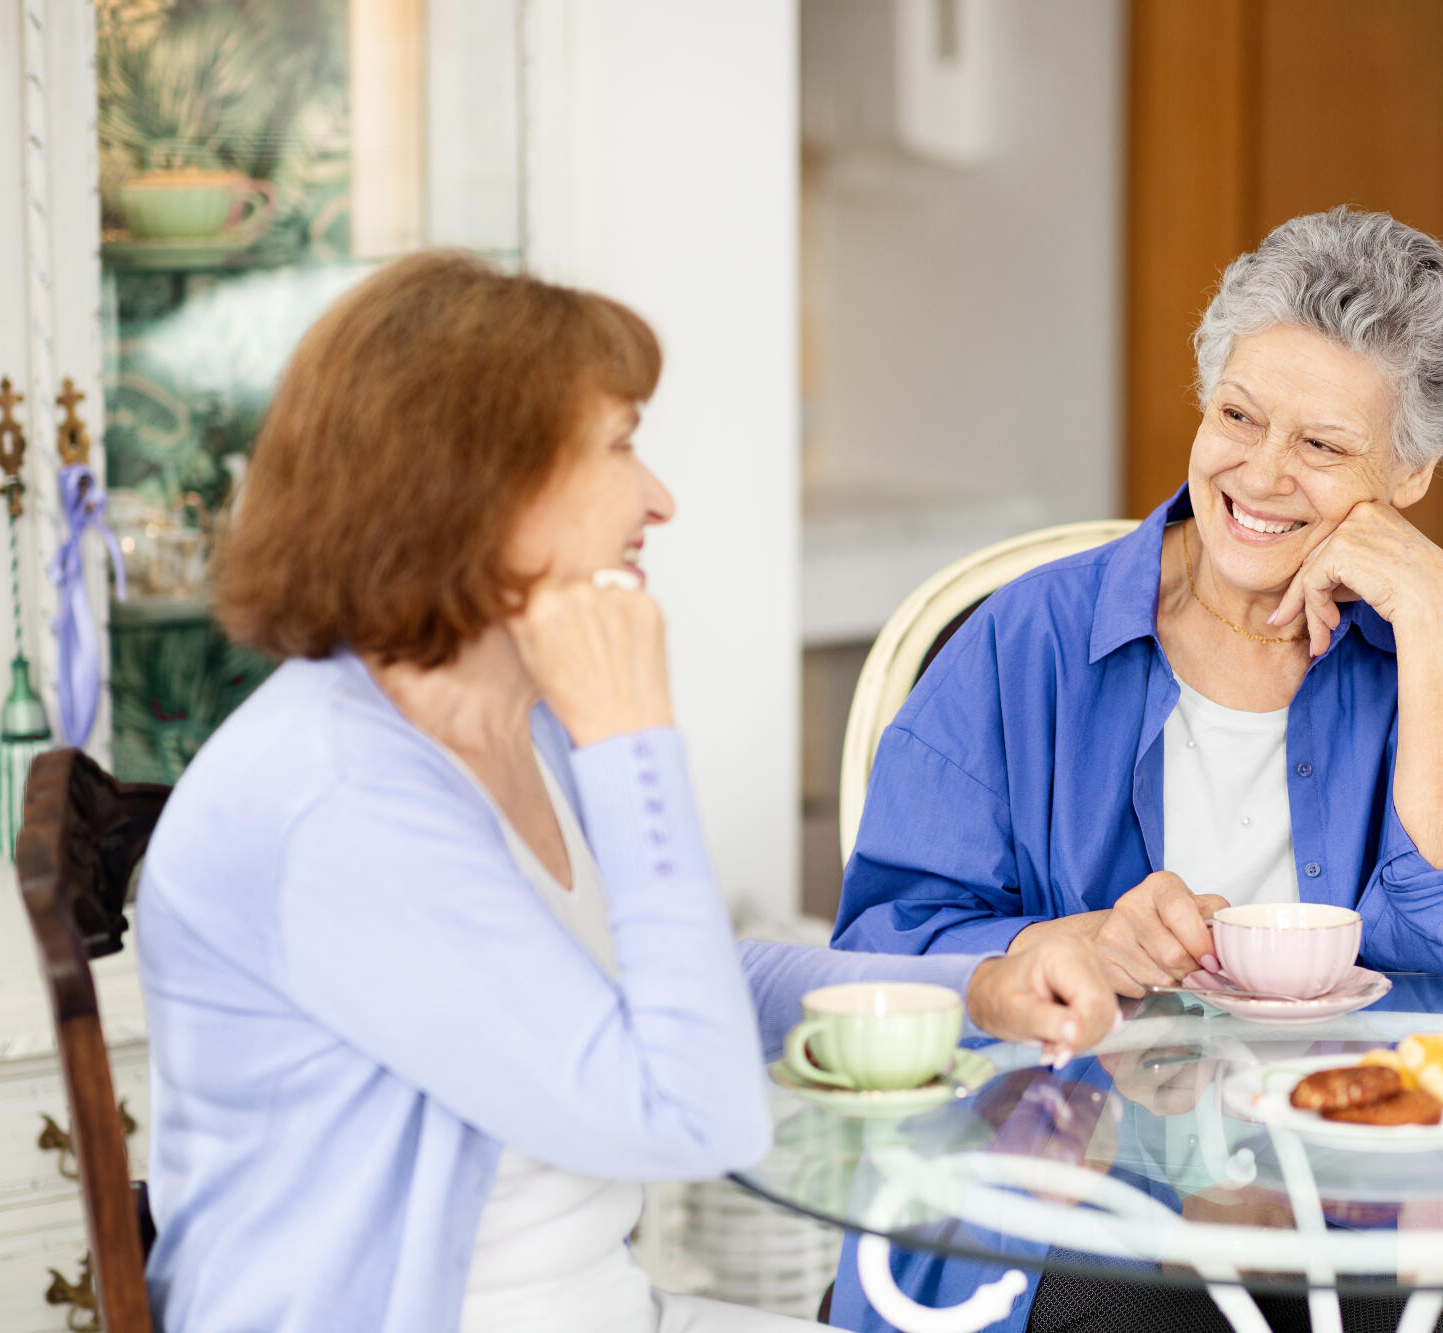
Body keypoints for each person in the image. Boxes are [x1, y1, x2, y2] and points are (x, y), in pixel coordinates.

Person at [133, 252, 1118, 1333]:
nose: (659, 497)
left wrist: (975, 989)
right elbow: (691, 1118)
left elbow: (673, 979)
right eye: (618, 444)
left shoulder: (516, 719)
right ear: (480, 486)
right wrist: (631, 735)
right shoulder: (337, 798)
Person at [827, 208, 1443, 1332]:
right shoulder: (1023, 640)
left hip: (1362, 1164)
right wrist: (1064, 944)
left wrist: (1429, 608)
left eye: (1322, 447)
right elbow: (880, 954)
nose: (1260, 474)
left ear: (1410, 473)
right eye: (1237, 415)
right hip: (1069, 1177)